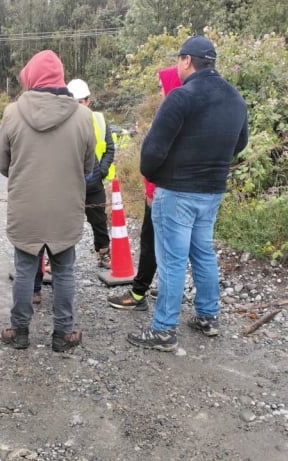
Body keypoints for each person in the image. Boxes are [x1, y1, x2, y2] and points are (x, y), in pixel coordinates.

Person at [128, 36, 248, 351]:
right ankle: (208, 316)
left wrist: (155, 176)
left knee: (172, 260)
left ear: (186, 60)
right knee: (203, 253)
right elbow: (240, 143)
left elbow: (152, 151)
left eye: (178, 60)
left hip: (177, 191)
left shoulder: (182, 97)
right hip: (212, 191)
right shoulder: (235, 99)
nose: (176, 66)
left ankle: (164, 330)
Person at [0, 50, 96, 352]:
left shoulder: (12, 113)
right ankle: (63, 334)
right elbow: (88, 166)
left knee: (25, 269)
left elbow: (2, 164)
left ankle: (20, 331)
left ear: (31, 78)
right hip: (66, 208)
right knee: (64, 269)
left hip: (26, 207)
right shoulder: (83, 115)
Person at [107, 66, 182, 311]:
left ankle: (140, 294)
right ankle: (172, 292)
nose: (160, 91)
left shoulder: (171, 112)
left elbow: (156, 156)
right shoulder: (191, 112)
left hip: (162, 192)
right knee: (179, 245)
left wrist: (150, 191)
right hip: (182, 191)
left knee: (152, 242)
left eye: (162, 86)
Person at [66, 79, 116, 269]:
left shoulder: (99, 120)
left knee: (99, 221)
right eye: (75, 102)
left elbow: (110, 148)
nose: (79, 106)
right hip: (69, 184)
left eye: (81, 102)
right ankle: (58, 260)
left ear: (88, 101)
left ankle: (103, 253)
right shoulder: (62, 122)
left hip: (93, 184)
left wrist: (100, 171)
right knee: (64, 223)